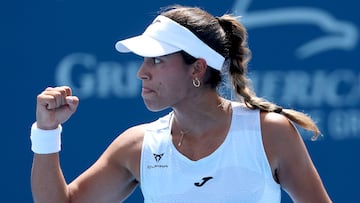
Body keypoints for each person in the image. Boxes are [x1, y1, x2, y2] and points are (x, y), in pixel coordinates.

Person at [30, 5, 332, 203]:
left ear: (197, 69)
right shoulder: (136, 146)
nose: (141, 72)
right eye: (144, 60)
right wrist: (46, 130)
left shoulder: (271, 133)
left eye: (157, 60)